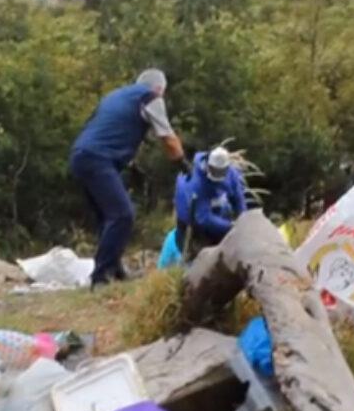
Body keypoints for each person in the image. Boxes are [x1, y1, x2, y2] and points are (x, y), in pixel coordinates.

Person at [69, 69, 188, 286]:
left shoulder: (116, 95)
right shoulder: (150, 97)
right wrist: (183, 164)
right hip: (99, 158)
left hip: (80, 155)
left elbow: (100, 127)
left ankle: (113, 269)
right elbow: (167, 138)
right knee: (123, 215)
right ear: (160, 89)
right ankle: (101, 277)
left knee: (108, 218)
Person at [174, 146, 246, 261]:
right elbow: (203, 217)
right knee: (200, 259)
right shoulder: (197, 183)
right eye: (214, 171)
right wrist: (229, 226)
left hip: (217, 211)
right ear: (208, 166)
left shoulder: (231, 173)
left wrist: (242, 219)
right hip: (192, 222)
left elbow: (237, 198)